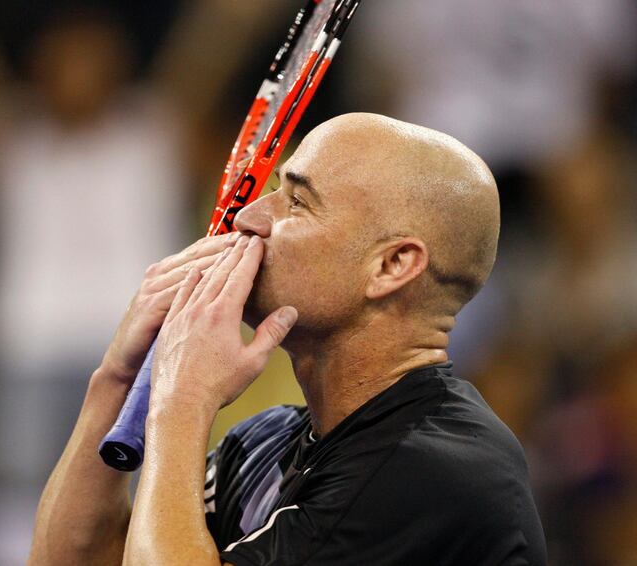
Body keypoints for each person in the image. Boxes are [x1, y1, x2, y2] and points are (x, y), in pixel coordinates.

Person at [28, 113, 547, 565]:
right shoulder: (262, 443)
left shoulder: (433, 473)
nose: (250, 216)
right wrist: (117, 379)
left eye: (297, 201)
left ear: (392, 266)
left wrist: (181, 400)